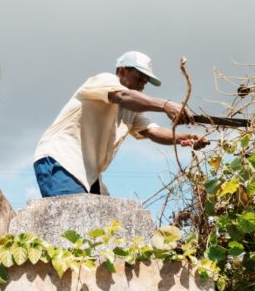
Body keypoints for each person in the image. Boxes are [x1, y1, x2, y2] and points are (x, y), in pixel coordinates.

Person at [33, 51, 208, 197]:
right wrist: (165, 105)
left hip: (89, 174)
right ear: (122, 71)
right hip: (61, 159)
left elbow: (153, 131)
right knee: (71, 225)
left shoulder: (131, 109)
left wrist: (188, 137)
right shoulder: (105, 81)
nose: (140, 86)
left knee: (99, 230)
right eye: (138, 79)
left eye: (144, 83)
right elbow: (123, 97)